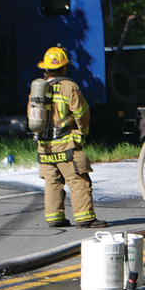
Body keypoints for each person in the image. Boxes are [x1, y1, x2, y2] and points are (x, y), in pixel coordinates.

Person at [27, 46, 107, 228]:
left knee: (52, 182)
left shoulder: (36, 90)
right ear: (64, 68)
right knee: (78, 179)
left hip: (44, 146)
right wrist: (81, 133)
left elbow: (30, 116)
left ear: (45, 69)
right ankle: (85, 218)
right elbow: (81, 112)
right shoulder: (69, 86)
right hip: (66, 145)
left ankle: (55, 218)